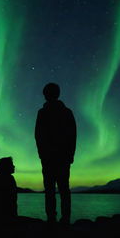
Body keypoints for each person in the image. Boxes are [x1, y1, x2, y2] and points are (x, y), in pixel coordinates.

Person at [35, 83, 77, 225]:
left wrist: (42, 153)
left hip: (52, 157)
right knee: (63, 189)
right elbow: (73, 135)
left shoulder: (44, 113)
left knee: (51, 190)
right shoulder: (66, 112)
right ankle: (63, 219)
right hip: (60, 157)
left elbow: (38, 135)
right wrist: (70, 155)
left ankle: (52, 219)